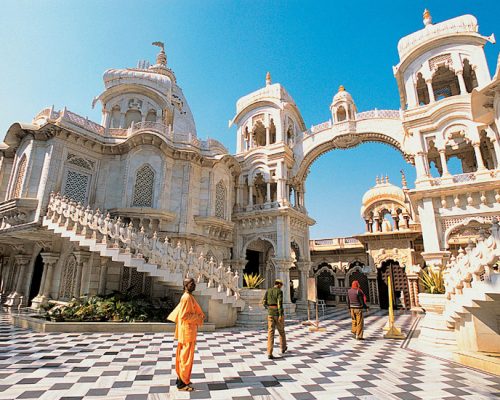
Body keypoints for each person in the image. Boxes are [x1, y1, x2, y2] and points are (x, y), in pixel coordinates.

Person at [167, 278, 205, 391]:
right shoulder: (187, 297)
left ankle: (181, 379)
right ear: (185, 285)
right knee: (186, 357)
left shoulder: (188, 296)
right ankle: (182, 384)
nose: (194, 285)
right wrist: (199, 318)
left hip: (187, 330)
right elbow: (184, 316)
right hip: (187, 331)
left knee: (183, 356)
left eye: (194, 283)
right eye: (191, 284)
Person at [262, 279, 287, 359]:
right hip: (277, 313)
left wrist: (269, 308)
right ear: (279, 284)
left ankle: (269, 352)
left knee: (270, 332)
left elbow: (264, 302)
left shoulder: (268, 290)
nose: (281, 287)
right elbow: (279, 303)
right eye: (281, 285)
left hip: (270, 313)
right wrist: (280, 314)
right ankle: (283, 347)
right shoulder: (279, 291)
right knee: (281, 331)